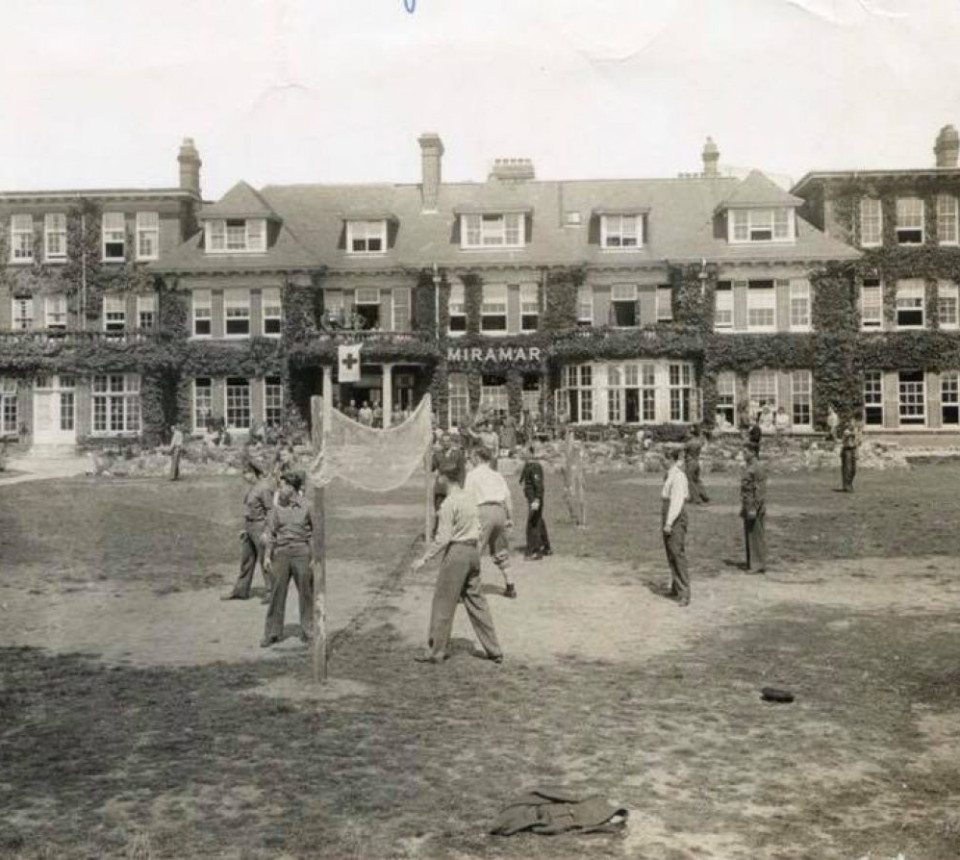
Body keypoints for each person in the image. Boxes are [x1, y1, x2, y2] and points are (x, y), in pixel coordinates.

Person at [410, 472, 503, 665]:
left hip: (457, 553)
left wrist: (423, 559)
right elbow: (478, 528)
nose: (437, 482)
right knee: (477, 602)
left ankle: (435, 652)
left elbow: (443, 538)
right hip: (472, 553)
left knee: (443, 603)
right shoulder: (470, 497)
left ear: (445, 480)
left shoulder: (448, 504)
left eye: (438, 479)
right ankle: (495, 650)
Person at [260, 469, 321, 648]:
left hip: (302, 553)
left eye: (283, 486)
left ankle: (309, 631)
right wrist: (266, 557)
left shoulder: (308, 506)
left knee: (306, 593)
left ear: (292, 488)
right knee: (277, 593)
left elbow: (316, 533)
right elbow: (271, 534)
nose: (280, 490)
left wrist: (314, 556)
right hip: (281, 554)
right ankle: (272, 632)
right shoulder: (276, 509)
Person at [464, 446, 516, 598]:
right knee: (500, 550)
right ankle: (510, 586)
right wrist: (510, 518)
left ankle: (469, 588)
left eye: (472, 457)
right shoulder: (497, 475)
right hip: (499, 511)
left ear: (478, 458)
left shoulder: (472, 475)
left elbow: (468, 499)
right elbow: (508, 499)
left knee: (475, 549)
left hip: (483, 511)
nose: (471, 460)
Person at [222, 458, 274, 602]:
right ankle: (241, 590)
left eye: (247, 473)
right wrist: (246, 529)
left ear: (253, 473)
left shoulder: (263, 488)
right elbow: (250, 509)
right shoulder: (253, 487)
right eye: (244, 473)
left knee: (265, 560)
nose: (245, 477)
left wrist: (267, 532)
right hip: (250, 526)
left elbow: (270, 511)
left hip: (260, 526)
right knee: (246, 560)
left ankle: (271, 592)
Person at [661, 446, 691, 605]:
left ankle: (684, 591)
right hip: (667, 510)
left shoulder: (678, 477)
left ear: (671, 460)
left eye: (665, 459)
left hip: (675, 515)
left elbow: (677, 502)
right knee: (670, 552)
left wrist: (669, 522)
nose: (662, 462)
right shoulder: (669, 475)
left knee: (676, 551)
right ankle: (676, 585)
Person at [430, 431, 466, 539]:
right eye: (443, 441)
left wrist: (461, 486)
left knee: (454, 511)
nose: (446, 443)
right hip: (441, 487)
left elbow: (462, 471)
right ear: (440, 442)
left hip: (454, 486)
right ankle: (437, 532)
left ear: (451, 442)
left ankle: (455, 532)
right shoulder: (437, 454)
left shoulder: (457, 453)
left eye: (448, 441)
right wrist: (426, 455)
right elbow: (430, 468)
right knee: (439, 510)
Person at [518, 444, 551, 560]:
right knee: (538, 521)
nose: (522, 454)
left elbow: (538, 485)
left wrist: (537, 499)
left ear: (531, 453)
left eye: (525, 452)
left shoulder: (535, 466)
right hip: (530, 498)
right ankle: (546, 547)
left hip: (535, 499)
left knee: (532, 523)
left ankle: (535, 550)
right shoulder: (527, 466)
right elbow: (522, 480)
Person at [740, 444, 768, 574]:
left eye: (745, 451)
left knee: (756, 534)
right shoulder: (749, 466)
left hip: (754, 505)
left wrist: (754, 507)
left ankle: (758, 564)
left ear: (752, 452)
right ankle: (752, 562)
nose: (743, 454)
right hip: (747, 503)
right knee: (750, 534)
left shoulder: (757, 467)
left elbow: (760, 489)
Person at [683, 425, 710, 504]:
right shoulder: (699, 442)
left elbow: (682, 449)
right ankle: (704, 496)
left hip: (690, 462)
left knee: (690, 481)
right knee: (697, 480)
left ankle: (696, 498)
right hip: (696, 462)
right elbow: (703, 440)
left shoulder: (690, 443)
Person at [840, 413, 863, 492]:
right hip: (847, 450)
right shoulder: (846, 431)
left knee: (854, 470)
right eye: (851, 422)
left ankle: (849, 483)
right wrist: (852, 434)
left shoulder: (856, 430)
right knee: (847, 469)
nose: (852, 424)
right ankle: (847, 486)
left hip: (854, 449)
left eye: (853, 422)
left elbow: (859, 441)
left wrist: (858, 438)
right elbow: (844, 439)